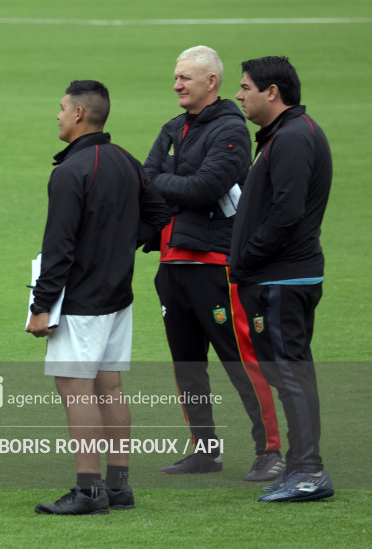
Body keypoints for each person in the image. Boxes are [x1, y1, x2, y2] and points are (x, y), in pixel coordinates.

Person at [27, 80, 169, 515]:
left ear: (79, 115)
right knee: (109, 387)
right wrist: (122, 246)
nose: (57, 115)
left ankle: (88, 491)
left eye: (61, 107)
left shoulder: (70, 172)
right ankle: (118, 486)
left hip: (81, 302)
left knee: (76, 390)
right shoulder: (125, 159)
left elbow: (59, 249)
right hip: (117, 297)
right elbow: (160, 215)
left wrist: (40, 308)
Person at [143, 45, 283, 481]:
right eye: (175, 76)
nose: (176, 85)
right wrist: (170, 184)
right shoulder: (172, 127)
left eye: (185, 78)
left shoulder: (231, 129)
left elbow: (206, 186)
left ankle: (270, 450)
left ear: (211, 82)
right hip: (172, 262)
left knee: (240, 361)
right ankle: (204, 449)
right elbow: (147, 185)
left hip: (217, 263)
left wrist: (166, 183)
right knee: (187, 364)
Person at [232, 56, 333, 502]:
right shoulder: (286, 135)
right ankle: (300, 467)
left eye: (246, 87)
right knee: (291, 372)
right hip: (284, 275)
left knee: (290, 373)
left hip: (283, 278)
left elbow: (287, 214)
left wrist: (248, 260)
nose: (240, 95)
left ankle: (308, 471)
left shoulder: (291, 138)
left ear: (272, 92)